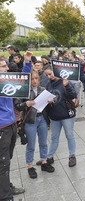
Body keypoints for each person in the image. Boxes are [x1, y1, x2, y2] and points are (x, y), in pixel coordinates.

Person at [0, 52, 32, 200]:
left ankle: (6, 186)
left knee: (7, 160)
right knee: (3, 163)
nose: (5, 68)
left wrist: (26, 63)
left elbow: (22, 82)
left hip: (11, 125)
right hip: (2, 129)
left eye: (5, 65)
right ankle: (6, 196)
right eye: (2, 66)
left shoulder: (7, 81)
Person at [14, 71, 55, 179]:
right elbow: (18, 106)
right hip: (30, 120)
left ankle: (44, 161)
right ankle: (30, 166)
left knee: (43, 142)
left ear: (39, 79)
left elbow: (49, 106)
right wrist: (26, 104)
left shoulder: (42, 90)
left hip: (42, 118)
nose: (35, 81)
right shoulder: (24, 90)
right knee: (31, 145)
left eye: (36, 78)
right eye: (32, 79)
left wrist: (51, 102)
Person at [44, 67, 78, 167]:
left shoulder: (64, 81)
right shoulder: (48, 84)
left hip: (66, 114)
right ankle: (49, 156)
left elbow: (73, 95)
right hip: (54, 115)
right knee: (54, 137)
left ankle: (72, 156)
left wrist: (67, 86)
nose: (49, 76)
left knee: (69, 135)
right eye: (47, 75)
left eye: (50, 74)